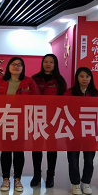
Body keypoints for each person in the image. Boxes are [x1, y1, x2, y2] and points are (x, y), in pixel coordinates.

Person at [0, 56, 40, 192]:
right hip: (4, 119)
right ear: (8, 67)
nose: (16, 67)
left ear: (23, 67)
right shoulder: (1, 81)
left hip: (21, 120)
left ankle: (18, 179)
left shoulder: (29, 82)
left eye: (19, 64)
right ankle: (5, 179)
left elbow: (37, 100)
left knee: (19, 150)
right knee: (5, 150)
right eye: (13, 64)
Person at [30, 54, 67, 188]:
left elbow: (64, 100)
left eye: (51, 62)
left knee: (52, 148)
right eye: (46, 61)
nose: (48, 64)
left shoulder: (60, 81)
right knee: (36, 147)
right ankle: (36, 175)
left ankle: (50, 175)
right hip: (37, 116)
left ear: (55, 64)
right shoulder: (34, 79)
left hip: (53, 118)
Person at [64, 67, 98, 195]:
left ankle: (86, 182)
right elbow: (63, 110)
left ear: (91, 78)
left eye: (87, 76)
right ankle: (75, 183)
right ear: (77, 78)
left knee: (89, 159)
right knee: (73, 159)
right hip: (73, 131)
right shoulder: (69, 93)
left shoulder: (97, 93)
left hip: (91, 131)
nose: (85, 79)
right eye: (81, 76)